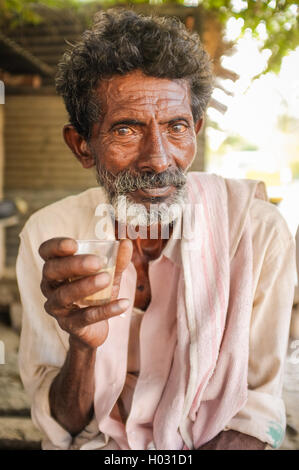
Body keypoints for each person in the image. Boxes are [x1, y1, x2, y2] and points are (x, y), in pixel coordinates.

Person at [16, 9, 295, 450]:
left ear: (196, 132)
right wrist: (83, 347)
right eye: (126, 129)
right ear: (82, 145)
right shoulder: (49, 235)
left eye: (176, 127)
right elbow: (63, 425)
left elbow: (256, 412)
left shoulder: (257, 234)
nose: (159, 160)